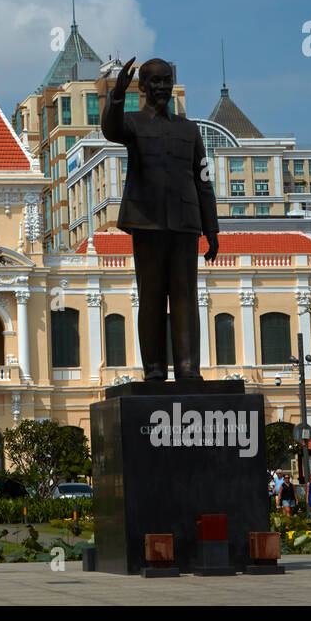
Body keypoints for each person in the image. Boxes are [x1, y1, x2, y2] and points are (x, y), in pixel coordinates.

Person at [100, 57, 219, 380]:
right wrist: (117, 96)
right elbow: (110, 130)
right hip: (147, 221)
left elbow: (203, 180)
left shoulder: (189, 129)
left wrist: (212, 228)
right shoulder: (134, 123)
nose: (162, 86)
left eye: (166, 80)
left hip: (184, 223)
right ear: (143, 86)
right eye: (155, 81)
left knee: (185, 296)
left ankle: (188, 367)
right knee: (151, 296)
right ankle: (153, 368)